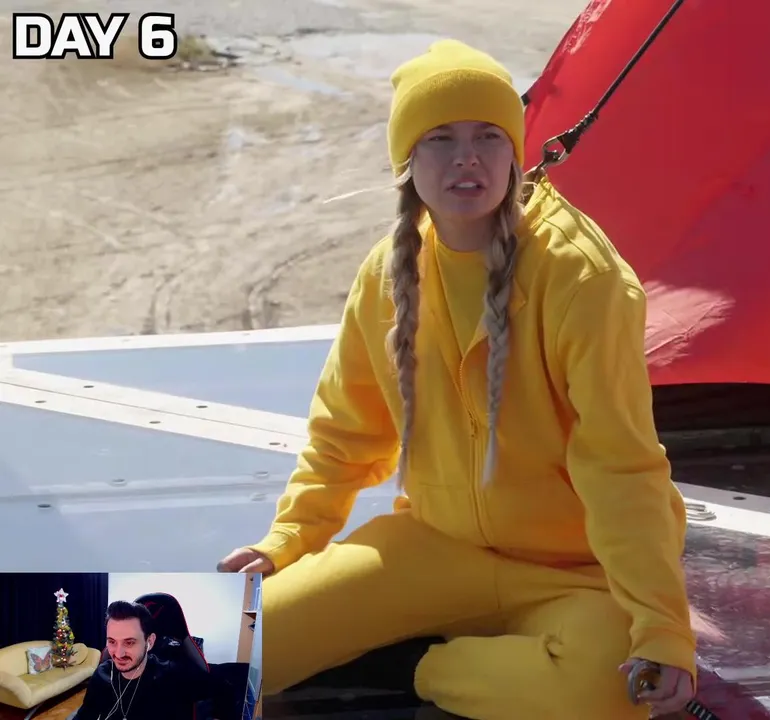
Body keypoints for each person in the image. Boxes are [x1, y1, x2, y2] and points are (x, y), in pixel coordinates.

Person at [216, 39, 698, 719]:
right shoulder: (387, 273)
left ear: (515, 153)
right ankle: (447, 649)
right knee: (217, 648)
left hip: (575, 572)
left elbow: (623, 466)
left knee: (608, 693)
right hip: (434, 547)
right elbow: (345, 433)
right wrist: (288, 539)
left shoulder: (583, 280)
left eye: (488, 137)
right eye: (440, 138)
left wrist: (662, 627)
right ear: (407, 161)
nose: (467, 157)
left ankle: (411, 664)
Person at [74, 601, 215, 720]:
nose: (118, 653)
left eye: (129, 642)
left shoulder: (171, 677)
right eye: (112, 642)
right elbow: (84, 715)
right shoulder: (102, 674)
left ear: (150, 642)